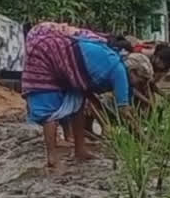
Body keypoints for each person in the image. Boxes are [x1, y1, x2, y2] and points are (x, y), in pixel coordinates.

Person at [21, 30, 138, 168]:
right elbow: (125, 111)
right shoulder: (119, 71)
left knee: (78, 104)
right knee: (48, 111)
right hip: (47, 56)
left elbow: (88, 93)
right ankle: (52, 157)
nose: (138, 84)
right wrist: (144, 139)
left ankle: (80, 150)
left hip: (67, 62)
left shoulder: (112, 61)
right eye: (140, 79)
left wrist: (105, 123)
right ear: (134, 71)